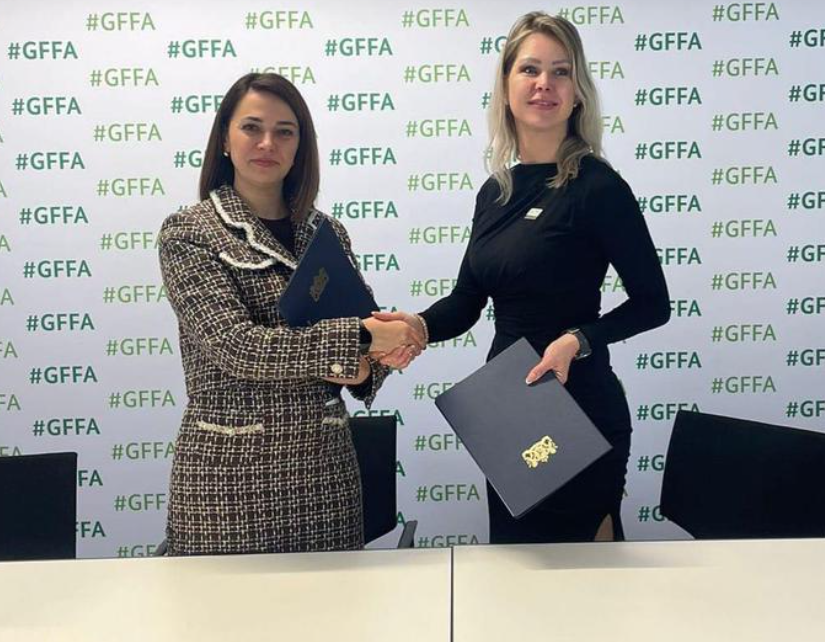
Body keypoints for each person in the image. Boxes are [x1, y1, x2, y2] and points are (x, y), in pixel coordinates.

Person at [374, 12, 670, 544]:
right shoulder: (496, 192)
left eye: (561, 71)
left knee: (585, 579)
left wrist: (578, 339)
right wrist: (417, 325)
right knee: (517, 572)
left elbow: (654, 303)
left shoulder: (599, 187)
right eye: (530, 69)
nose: (544, 84)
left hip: (581, 410)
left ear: (577, 93)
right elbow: (467, 301)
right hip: (509, 413)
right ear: (507, 87)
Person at [158, 73, 423, 555]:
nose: (267, 143)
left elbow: (361, 340)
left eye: (285, 131)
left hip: (326, 481)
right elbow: (236, 347)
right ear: (224, 139)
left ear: (301, 146)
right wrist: (362, 340)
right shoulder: (189, 232)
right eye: (251, 128)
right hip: (228, 486)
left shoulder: (327, 232)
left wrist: (375, 361)